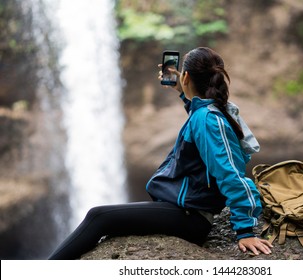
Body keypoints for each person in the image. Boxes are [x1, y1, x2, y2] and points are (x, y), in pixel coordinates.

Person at [48, 47, 272, 260]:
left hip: (190, 217)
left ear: (186, 77)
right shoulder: (207, 113)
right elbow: (200, 121)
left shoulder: (208, 120)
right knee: (103, 218)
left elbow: (230, 173)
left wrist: (245, 231)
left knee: (98, 217)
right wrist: (182, 92)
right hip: (184, 209)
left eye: (183, 77)